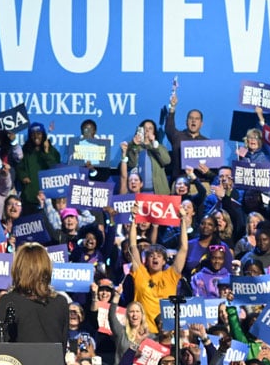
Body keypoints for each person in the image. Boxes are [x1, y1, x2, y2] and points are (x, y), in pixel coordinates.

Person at [0, 242, 68, 355]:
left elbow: (2, 350)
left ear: (18, 269)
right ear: (46, 268)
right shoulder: (61, 302)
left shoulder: (8, 301)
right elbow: (62, 348)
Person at [128, 204, 188, 333]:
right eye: (151, 256)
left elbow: (183, 249)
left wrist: (183, 220)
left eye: (159, 256)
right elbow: (133, 246)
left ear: (164, 261)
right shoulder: (140, 273)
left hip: (166, 332)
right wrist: (133, 219)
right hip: (143, 333)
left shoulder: (171, 275)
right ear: (146, 260)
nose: (155, 258)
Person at [16, 122, 61, 215]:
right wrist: (23, 176)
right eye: (33, 134)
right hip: (30, 196)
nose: (36, 136)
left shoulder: (51, 150)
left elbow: (55, 168)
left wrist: (46, 152)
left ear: (43, 135)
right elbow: (19, 167)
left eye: (39, 133)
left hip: (48, 197)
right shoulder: (26, 150)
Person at [165, 94, 208, 179]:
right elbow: (169, 129)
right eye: (191, 118)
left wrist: (207, 171)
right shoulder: (177, 136)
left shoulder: (207, 143)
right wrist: (172, 108)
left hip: (200, 183)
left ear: (201, 124)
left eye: (197, 119)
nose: (193, 120)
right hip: (179, 182)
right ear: (186, 122)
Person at [125, 119, 171, 194]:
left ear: (154, 132)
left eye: (150, 128)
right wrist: (134, 146)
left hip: (157, 193)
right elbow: (131, 164)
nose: (147, 130)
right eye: (144, 128)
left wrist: (153, 145)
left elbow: (166, 161)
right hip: (138, 192)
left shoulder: (159, 147)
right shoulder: (133, 146)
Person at [109, 285, 150, 364]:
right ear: (127, 315)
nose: (134, 315)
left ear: (142, 315)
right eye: (131, 312)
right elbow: (111, 317)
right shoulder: (121, 332)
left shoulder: (150, 336)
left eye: (137, 311)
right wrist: (116, 296)